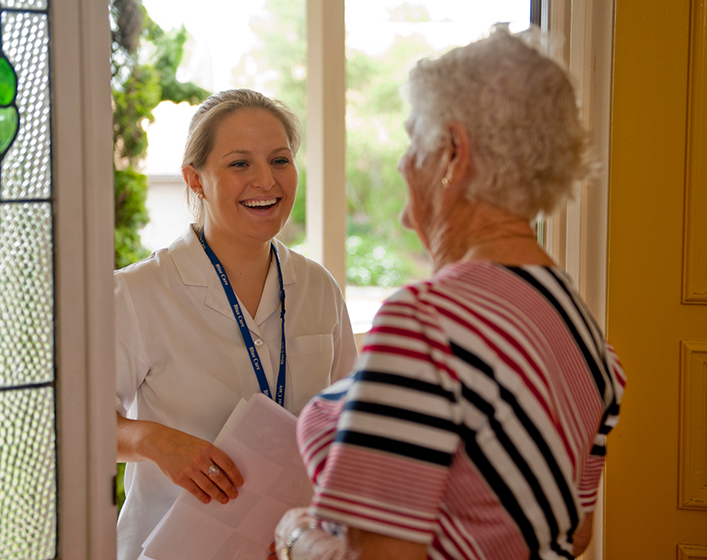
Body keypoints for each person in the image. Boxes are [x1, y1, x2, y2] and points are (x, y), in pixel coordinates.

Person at [271, 25, 626, 560]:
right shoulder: (581, 327)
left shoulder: (425, 323)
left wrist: (297, 535)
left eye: (414, 139)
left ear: (453, 154)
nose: (401, 162)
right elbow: (575, 535)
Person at [114, 89, 358, 560]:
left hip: (290, 547)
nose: (266, 181)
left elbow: (346, 427)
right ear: (196, 179)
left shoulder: (318, 287)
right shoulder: (139, 293)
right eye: (239, 164)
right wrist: (153, 440)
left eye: (280, 160)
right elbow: (75, 426)